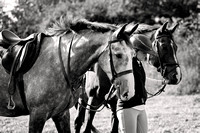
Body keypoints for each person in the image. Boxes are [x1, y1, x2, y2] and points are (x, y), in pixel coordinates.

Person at [116, 34, 165, 133]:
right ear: (135, 50)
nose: (145, 55)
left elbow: (143, 80)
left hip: (140, 106)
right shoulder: (127, 64)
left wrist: (161, 82)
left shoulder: (139, 63)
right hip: (128, 107)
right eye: (143, 52)